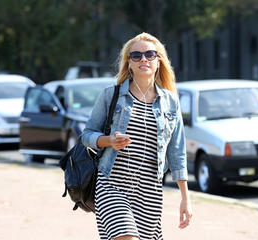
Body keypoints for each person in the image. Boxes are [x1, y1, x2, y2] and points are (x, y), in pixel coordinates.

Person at [81, 32, 193, 240]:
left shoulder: (171, 102)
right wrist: (109, 141)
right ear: (129, 63)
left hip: (149, 192)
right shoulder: (110, 95)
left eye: (150, 54)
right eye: (136, 55)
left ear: (158, 62)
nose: (144, 59)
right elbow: (86, 135)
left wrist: (185, 198)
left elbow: (177, 153)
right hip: (112, 184)